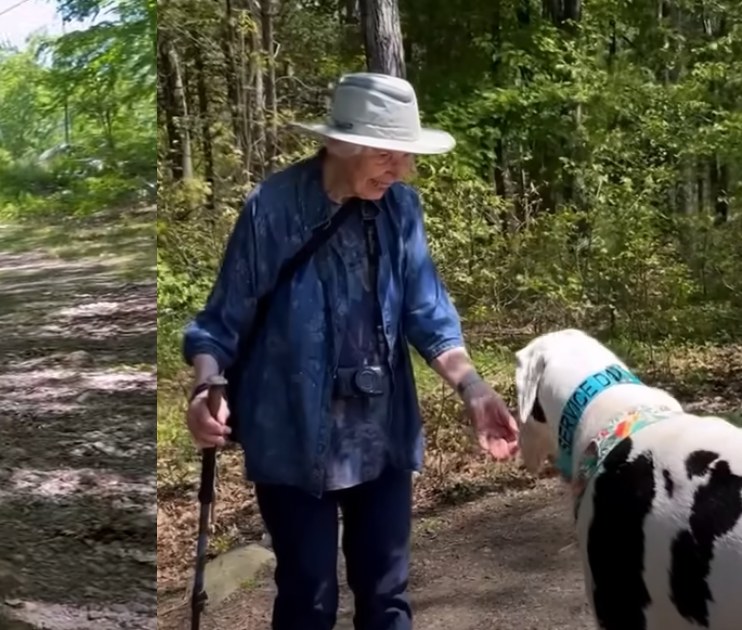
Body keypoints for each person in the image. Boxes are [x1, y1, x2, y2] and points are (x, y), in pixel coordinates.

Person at [181, 72, 520, 630]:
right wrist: (204, 387)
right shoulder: (272, 208)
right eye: (388, 155)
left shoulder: (400, 210)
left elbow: (427, 313)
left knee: (387, 598)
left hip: (381, 433)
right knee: (308, 599)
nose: (402, 170)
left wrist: (474, 387)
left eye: (405, 157)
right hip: (291, 436)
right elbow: (220, 323)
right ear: (343, 145)